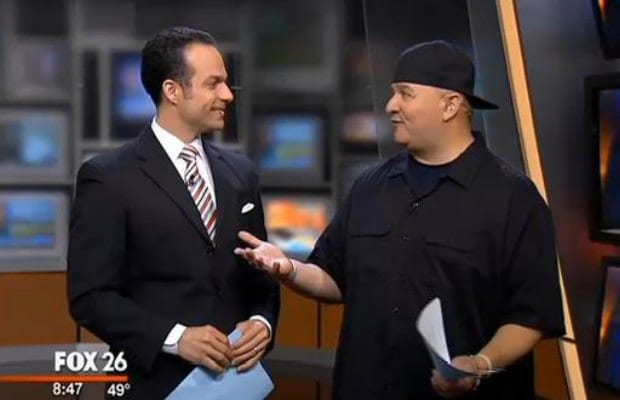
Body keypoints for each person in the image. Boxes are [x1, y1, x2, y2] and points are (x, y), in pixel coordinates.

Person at [235, 40, 565, 399]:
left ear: (450, 105)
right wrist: (289, 269)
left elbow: (531, 316)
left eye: (406, 94)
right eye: (393, 93)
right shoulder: (369, 186)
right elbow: (334, 280)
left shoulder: (513, 198)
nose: (391, 106)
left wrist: (480, 364)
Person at [67, 27, 279, 399]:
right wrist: (175, 338)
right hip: (156, 386)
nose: (227, 95)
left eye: (226, 83)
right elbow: (91, 297)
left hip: (240, 385)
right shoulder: (109, 177)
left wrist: (263, 321)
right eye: (213, 84)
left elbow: (260, 274)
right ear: (172, 91)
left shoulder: (241, 174)